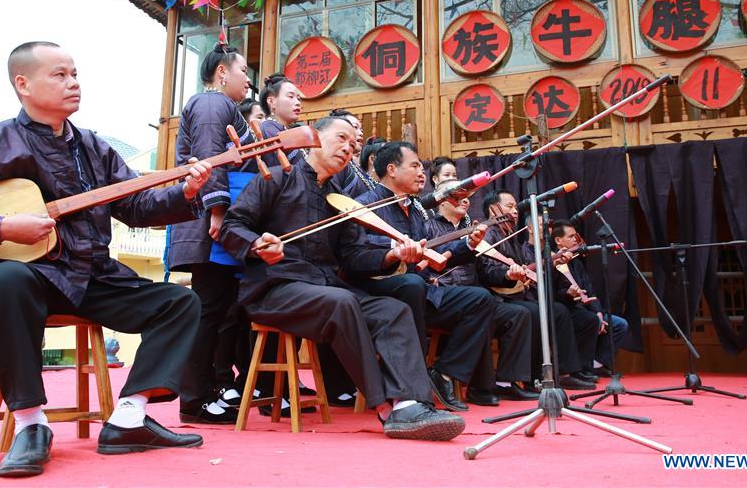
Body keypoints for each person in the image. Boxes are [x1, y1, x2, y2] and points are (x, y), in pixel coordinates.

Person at [0, 42, 214, 478]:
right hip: (29, 279)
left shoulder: (94, 147)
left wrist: (185, 193)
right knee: (4, 279)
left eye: (75, 74)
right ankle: (30, 425)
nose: (73, 83)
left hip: (91, 276)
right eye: (60, 74)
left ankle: (129, 418)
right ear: (23, 84)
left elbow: (134, 206)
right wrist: (0, 229)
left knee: (180, 303)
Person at [220, 117, 465, 441]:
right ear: (314, 139)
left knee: (393, 311)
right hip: (275, 286)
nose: (349, 147)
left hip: (325, 287)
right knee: (343, 301)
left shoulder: (340, 200)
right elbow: (231, 225)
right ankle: (384, 406)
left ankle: (410, 403)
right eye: (341, 138)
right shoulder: (276, 178)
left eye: (353, 144)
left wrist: (391, 256)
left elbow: (353, 254)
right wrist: (256, 244)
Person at [355, 142, 497, 412]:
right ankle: (414, 384)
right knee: (411, 284)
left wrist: (467, 245)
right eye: (415, 166)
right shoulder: (365, 205)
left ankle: (442, 374)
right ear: (392, 169)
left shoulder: (417, 209)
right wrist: (394, 252)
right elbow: (356, 252)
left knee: (480, 299)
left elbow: (434, 252)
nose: (422, 172)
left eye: (422, 167)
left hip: (421, 290)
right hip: (380, 291)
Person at [166, 43, 256, 425]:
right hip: (210, 223)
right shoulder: (211, 104)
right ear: (222, 72)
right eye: (243, 71)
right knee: (208, 312)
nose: (248, 79)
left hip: (216, 222)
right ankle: (194, 399)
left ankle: (208, 391)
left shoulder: (225, 108)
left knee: (219, 312)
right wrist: (217, 210)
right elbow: (208, 158)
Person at [426, 182, 538, 404]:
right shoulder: (428, 226)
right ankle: (478, 385)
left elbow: (486, 273)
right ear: (440, 199)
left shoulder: (473, 230)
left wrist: (507, 275)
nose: (466, 199)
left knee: (519, 313)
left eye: (468, 196)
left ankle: (506, 381)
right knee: (481, 303)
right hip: (442, 295)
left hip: (473, 294)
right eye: (460, 195)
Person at [479, 190, 597, 390]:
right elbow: (485, 271)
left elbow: (528, 272)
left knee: (557, 311)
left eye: (516, 207)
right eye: (509, 206)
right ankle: (519, 380)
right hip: (496, 298)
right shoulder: (489, 235)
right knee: (535, 311)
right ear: (493, 209)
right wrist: (508, 275)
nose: (514, 211)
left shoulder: (510, 239)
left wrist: (532, 272)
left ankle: (562, 372)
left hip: (514, 296)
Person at [551, 219, 629, 376]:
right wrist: (568, 295)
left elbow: (590, 291)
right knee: (589, 320)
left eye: (576, 236)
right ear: (558, 240)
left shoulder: (576, 262)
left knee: (619, 325)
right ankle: (581, 368)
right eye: (571, 236)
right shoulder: (553, 262)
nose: (575, 239)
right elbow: (553, 292)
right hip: (567, 310)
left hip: (587, 309)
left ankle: (597, 364)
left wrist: (598, 313)